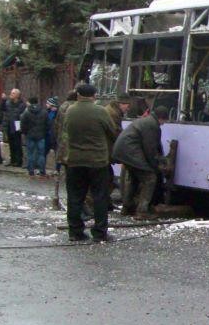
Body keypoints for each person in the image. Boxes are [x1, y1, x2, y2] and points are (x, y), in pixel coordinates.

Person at [63, 83, 117, 243]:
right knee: (99, 196)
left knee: (75, 196)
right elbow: (112, 131)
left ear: (78, 95)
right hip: (97, 161)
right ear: (94, 96)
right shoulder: (100, 111)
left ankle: (75, 231)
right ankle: (100, 232)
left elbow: (65, 130)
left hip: (75, 160)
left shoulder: (70, 110)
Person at [112, 104, 167, 219]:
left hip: (123, 150)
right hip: (130, 152)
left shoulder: (146, 121)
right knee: (150, 178)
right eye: (164, 121)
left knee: (134, 178)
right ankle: (142, 211)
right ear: (161, 118)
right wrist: (155, 166)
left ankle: (127, 208)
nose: (164, 124)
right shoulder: (152, 125)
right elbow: (150, 149)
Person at [20, 96, 49, 178]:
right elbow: (48, 124)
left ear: (30, 102)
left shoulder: (26, 112)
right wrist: (44, 132)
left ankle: (31, 172)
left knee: (30, 154)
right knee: (41, 154)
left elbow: (23, 125)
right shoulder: (44, 112)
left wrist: (25, 133)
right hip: (41, 135)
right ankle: (42, 172)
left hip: (30, 135)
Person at [1, 88, 26, 167]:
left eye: (13, 93)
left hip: (17, 125)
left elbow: (19, 114)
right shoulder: (8, 103)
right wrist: (3, 100)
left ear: (18, 95)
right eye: (11, 93)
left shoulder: (21, 104)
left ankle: (18, 161)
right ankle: (13, 160)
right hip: (9, 125)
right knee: (11, 144)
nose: (11, 94)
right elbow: (2, 109)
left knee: (17, 144)